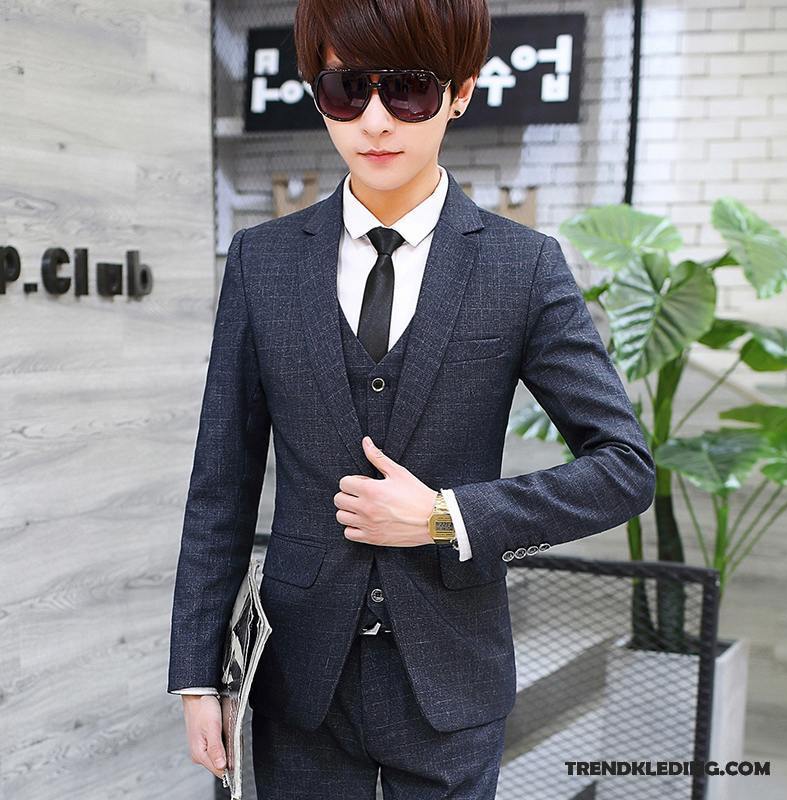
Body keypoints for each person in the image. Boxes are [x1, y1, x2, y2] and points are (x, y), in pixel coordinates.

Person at [167, 0, 656, 797]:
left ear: (461, 92)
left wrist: (446, 516)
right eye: (346, 90)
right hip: (299, 685)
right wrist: (198, 674)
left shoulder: (522, 266)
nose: (375, 121)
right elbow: (220, 483)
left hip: (452, 678)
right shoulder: (261, 262)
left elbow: (624, 469)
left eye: (408, 90)